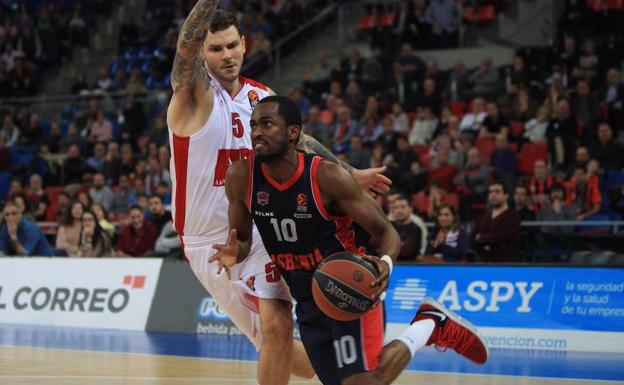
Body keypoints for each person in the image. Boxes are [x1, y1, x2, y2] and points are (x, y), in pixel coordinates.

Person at [166, 5, 390, 384]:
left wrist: (351, 173)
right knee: (286, 350)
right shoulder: (194, 98)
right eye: (216, 49)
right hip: (210, 242)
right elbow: (183, 55)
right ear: (203, 54)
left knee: (278, 323)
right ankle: (357, 369)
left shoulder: (261, 97)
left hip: (260, 229)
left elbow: (300, 142)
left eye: (232, 46)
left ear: (245, 45)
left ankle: (361, 362)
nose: (227, 55)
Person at [213, 96, 487, 385]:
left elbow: (386, 231)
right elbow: (241, 240)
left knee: (362, 383)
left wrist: (385, 263)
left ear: (293, 132)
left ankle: (430, 325)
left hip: (350, 287)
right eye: (253, 125)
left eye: (267, 124)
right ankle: (431, 322)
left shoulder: (326, 176)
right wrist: (237, 251)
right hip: (307, 299)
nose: (256, 132)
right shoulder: (241, 177)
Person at [470, 182, 521, 262]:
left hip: (505, 264)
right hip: (483, 263)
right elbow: (472, 239)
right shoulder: (483, 216)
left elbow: (502, 237)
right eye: (491, 192)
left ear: (506, 195)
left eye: (497, 191)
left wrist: (481, 238)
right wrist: (490, 240)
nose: (493, 194)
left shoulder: (513, 216)